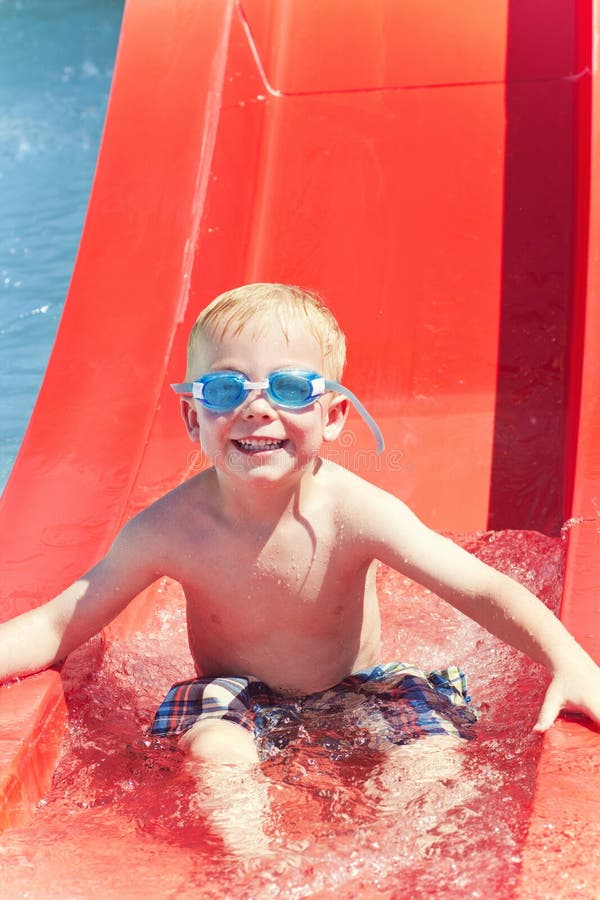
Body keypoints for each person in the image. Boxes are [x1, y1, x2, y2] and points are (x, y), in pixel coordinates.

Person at [1, 283, 599, 849]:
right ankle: (254, 866)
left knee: (431, 751)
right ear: (192, 417)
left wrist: (570, 663)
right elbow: (60, 625)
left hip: (358, 685)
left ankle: (394, 857)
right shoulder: (170, 529)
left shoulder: (356, 512)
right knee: (213, 752)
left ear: (333, 415)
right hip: (238, 696)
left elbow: (480, 587)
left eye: (288, 389)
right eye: (226, 389)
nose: (257, 408)